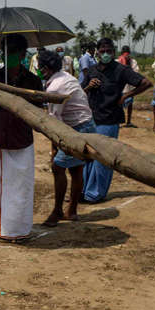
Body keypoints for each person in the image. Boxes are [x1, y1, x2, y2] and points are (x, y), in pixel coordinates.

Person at [0, 34, 41, 241]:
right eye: (5, 51)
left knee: (22, 187)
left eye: (13, 51)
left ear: (22, 54)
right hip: (0, 140)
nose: (8, 55)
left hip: (22, 140)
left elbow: (39, 113)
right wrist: (0, 99)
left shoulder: (32, 81)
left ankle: (18, 231)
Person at [81, 38, 151, 202]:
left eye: (109, 51)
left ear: (113, 52)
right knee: (87, 156)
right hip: (91, 119)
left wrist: (126, 95)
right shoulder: (91, 70)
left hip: (109, 119)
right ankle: (83, 190)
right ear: (97, 52)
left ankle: (96, 194)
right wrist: (89, 86)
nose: (105, 54)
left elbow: (146, 83)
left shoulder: (121, 70)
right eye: (102, 51)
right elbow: (81, 91)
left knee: (103, 158)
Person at [37, 50, 96, 226]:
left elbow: (55, 122)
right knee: (76, 169)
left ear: (46, 69)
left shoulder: (55, 87)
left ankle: (57, 211)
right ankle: (72, 211)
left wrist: (55, 146)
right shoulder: (66, 76)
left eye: (40, 68)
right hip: (85, 124)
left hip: (77, 128)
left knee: (58, 166)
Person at [117, 45, 141, 128]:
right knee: (119, 103)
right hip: (120, 86)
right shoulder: (118, 61)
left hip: (130, 86)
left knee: (130, 104)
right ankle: (119, 122)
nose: (127, 56)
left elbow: (136, 71)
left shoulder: (133, 62)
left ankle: (128, 121)